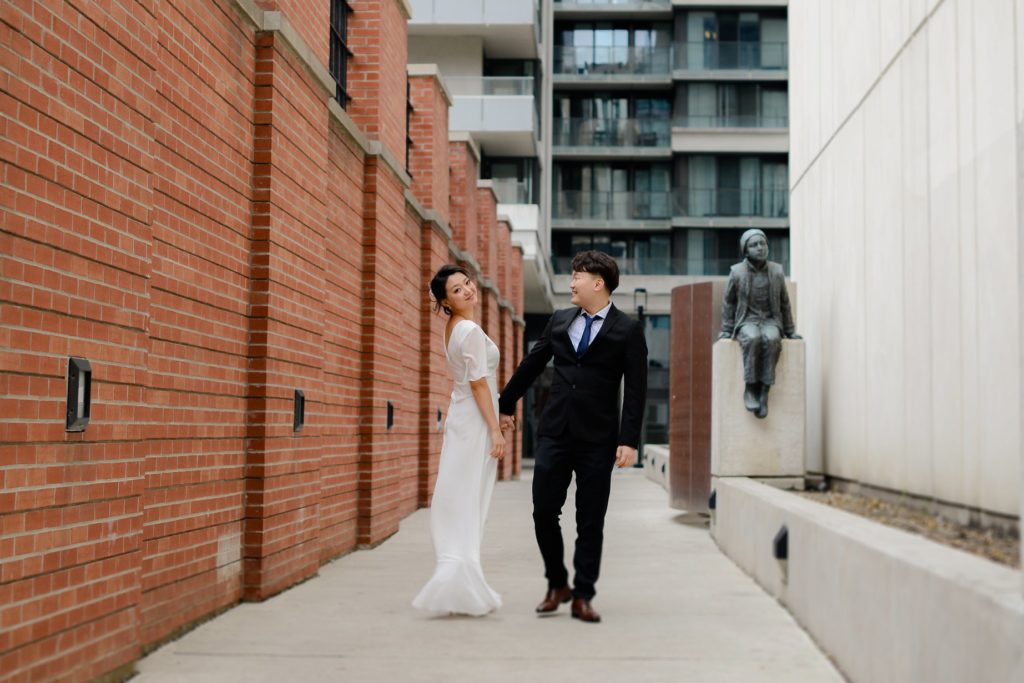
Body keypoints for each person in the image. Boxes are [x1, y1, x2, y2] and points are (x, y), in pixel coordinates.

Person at [498, 251, 647, 624]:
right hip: (555, 432)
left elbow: (637, 389)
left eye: (577, 276)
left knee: (590, 519)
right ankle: (557, 582)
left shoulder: (628, 330)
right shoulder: (560, 320)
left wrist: (629, 440)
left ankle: (582, 594)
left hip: (598, 438)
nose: (571, 283)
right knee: (544, 511)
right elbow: (532, 363)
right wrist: (504, 403)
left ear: (598, 283)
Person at [413, 265, 506, 616]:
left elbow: (475, 384)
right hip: (474, 422)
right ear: (446, 302)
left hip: (465, 416)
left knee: (465, 497)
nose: (467, 290)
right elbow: (480, 383)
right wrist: (495, 428)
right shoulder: (466, 328)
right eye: (456, 290)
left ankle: (463, 581)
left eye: (466, 283)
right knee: (470, 499)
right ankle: (458, 582)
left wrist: (498, 419)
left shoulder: (453, 328)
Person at [718, 229, 800, 419]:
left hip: (771, 320)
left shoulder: (777, 271)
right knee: (753, 339)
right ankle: (750, 387)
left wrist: (789, 330)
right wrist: (727, 329)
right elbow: (728, 302)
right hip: (747, 320)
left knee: (772, 340)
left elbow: (785, 302)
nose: (760, 248)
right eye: (754, 245)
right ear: (745, 251)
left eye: (762, 244)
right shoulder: (736, 272)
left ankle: (764, 390)